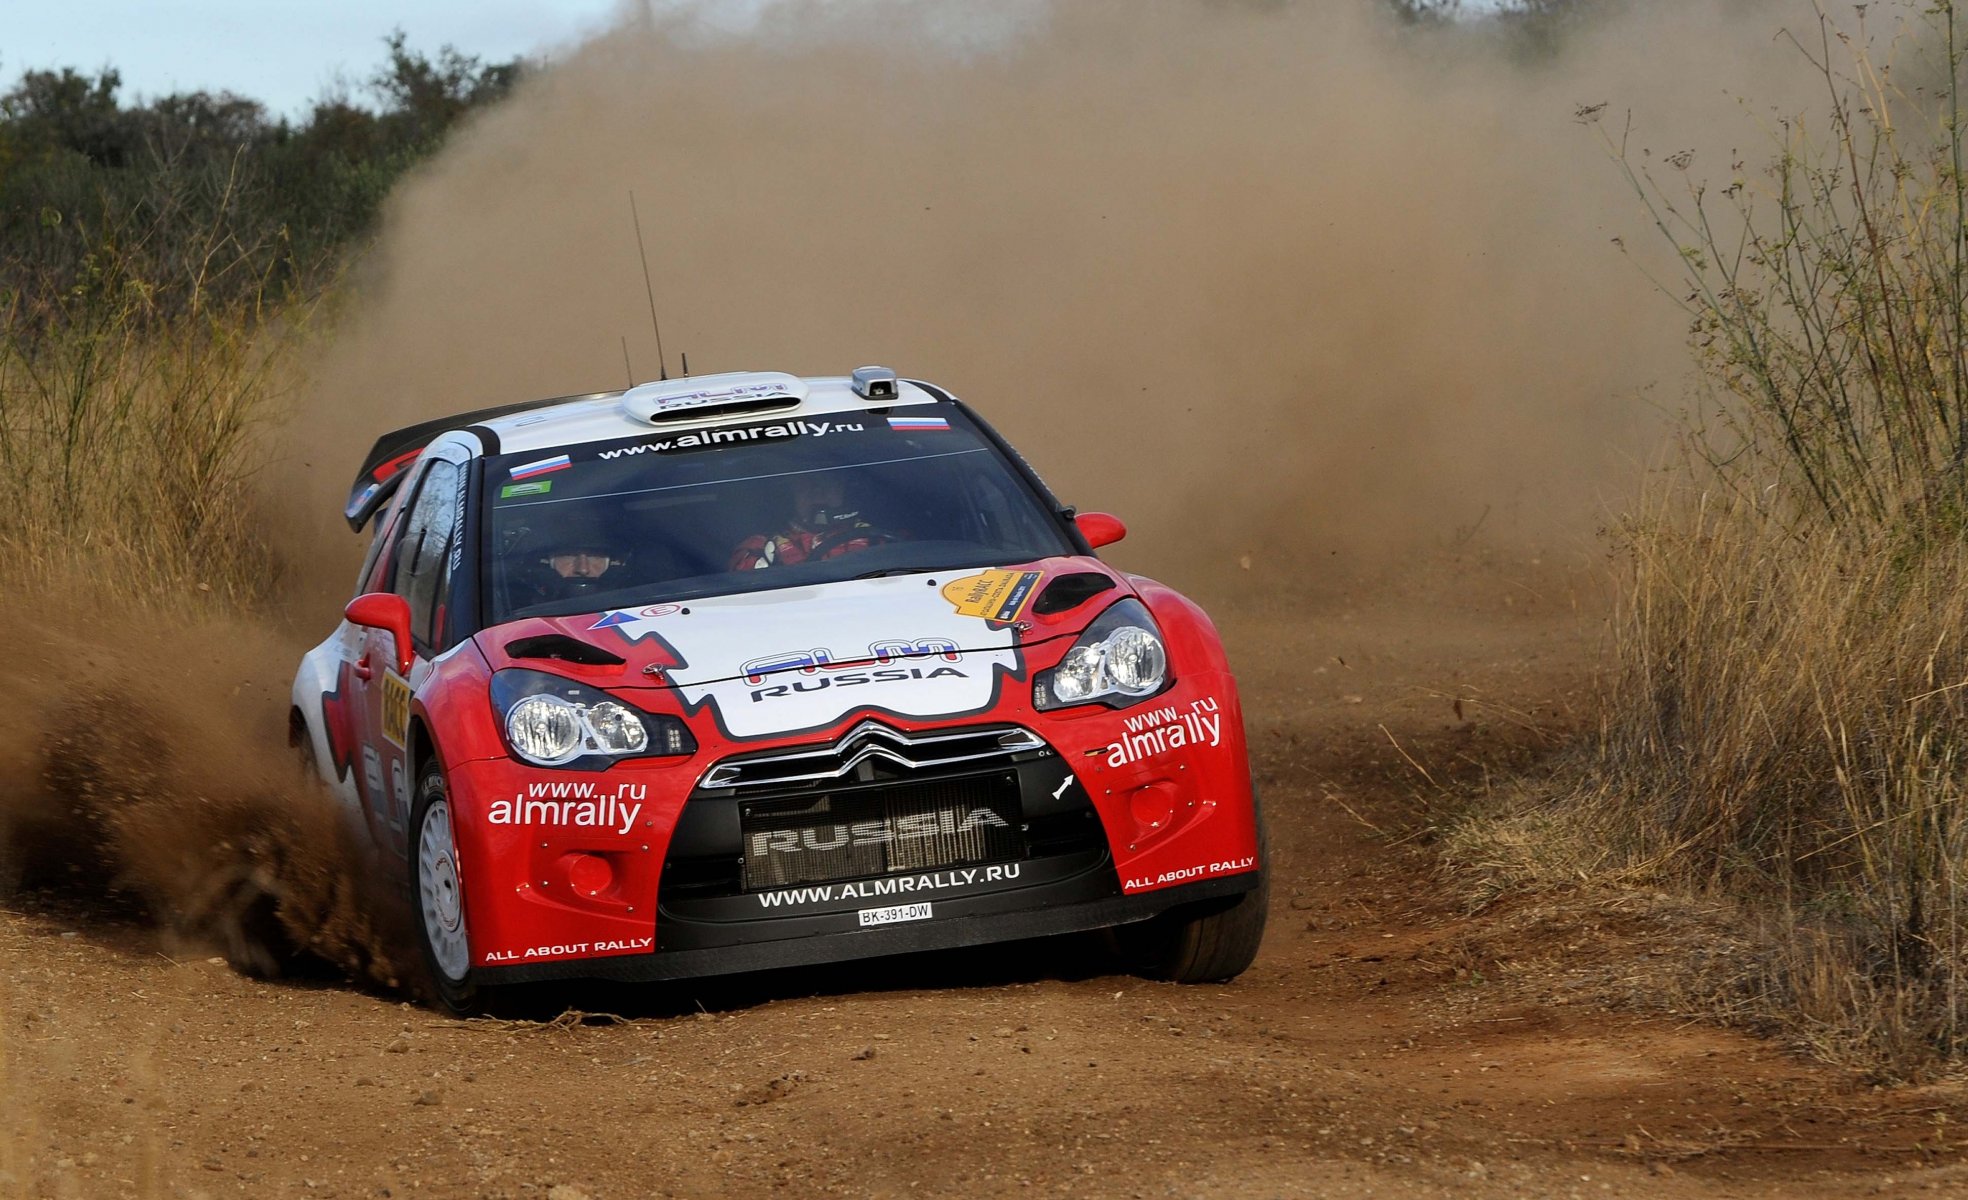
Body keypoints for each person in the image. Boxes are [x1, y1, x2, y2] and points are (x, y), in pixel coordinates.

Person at [729, 472, 887, 570]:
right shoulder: (759, 547)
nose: (818, 493)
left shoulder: (877, 537)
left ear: (842, 490)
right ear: (790, 495)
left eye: (827, 484)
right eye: (807, 486)